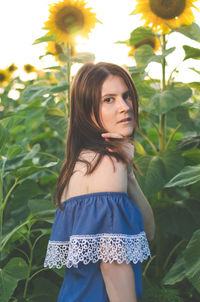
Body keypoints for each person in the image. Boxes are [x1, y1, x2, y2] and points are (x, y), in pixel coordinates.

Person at [44, 62, 155, 302]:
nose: (125, 107)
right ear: (87, 110)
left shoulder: (81, 163)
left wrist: (130, 176)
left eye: (126, 96)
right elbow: (113, 266)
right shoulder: (106, 163)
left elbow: (146, 234)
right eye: (109, 100)